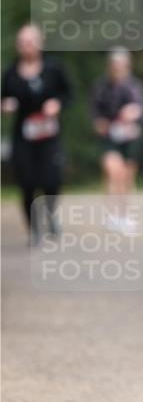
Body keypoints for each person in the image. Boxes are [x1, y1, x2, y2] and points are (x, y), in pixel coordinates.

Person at [1, 23, 72, 244]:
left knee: (52, 180)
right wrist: (6, 106)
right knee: (27, 182)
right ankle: (34, 230)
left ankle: (50, 213)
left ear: (40, 43)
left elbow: (68, 94)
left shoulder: (53, 68)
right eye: (23, 43)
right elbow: (3, 99)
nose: (27, 46)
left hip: (49, 135)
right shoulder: (11, 73)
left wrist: (57, 104)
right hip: (23, 136)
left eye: (31, 42)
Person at [91, 48, 143, 232]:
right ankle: (112, 214)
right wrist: (100, 123)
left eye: (122, 65)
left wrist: (134, 113)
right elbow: (95, 114)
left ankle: (124, 214)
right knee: (114, 172)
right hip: (110, 137)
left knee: (127, 177)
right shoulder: (101, 87)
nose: (118, 68)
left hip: (131, 139)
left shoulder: (135, 87)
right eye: (115, 65)